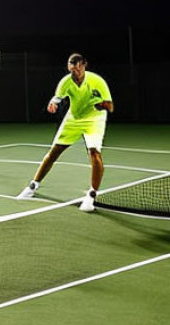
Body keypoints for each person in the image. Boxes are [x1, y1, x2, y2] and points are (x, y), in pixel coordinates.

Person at [16, 53, 114, 212]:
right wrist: (53, 103)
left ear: (84, 65)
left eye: (78, 65)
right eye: (72, 66)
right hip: (73, 118)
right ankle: (33, 186)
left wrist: (100, 104)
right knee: (54, 152)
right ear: (69, 67)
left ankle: (91, 196)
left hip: (94, 119)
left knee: (95, 153)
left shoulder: (97, 81)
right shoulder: (65, 82)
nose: (75, 69)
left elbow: (110, 107)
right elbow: (57, 97)